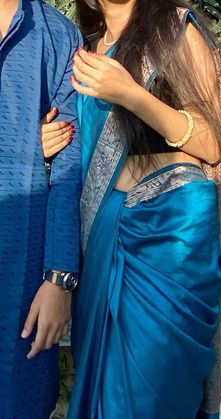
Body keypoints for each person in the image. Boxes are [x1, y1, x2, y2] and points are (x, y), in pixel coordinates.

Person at [41, 0, 221, 417]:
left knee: (151, 397)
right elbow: (70, 151)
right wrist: (42, 144)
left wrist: (130, 94)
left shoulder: (176, 31)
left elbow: (214, 143)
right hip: (101, 238)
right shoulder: (81, 52)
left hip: (169, 240)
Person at [0, 0, 82, 418]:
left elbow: (70, 170)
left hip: (20, 275)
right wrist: (20, 147)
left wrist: (59, 278)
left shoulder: (59, 34)